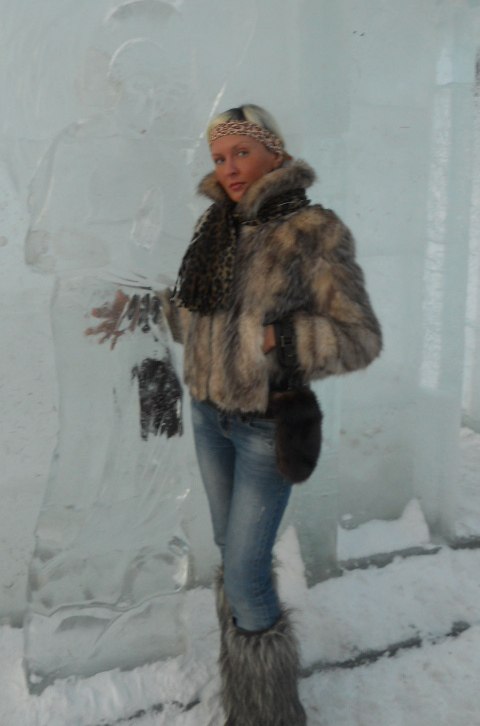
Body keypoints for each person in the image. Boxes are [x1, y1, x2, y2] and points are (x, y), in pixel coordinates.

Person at [87, 103, 382, 726]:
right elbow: (196, 316)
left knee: (245, 574)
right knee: (231, 553)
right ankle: (246, 693)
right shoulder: (216, 228)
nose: (229, 168)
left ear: (275, 152)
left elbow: (360, 337)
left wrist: (282, 338)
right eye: (219, 158)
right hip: (208, 418)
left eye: (241, 152)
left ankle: (271, 715)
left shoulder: (313, 232)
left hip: (264, 427)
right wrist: (141, 311)